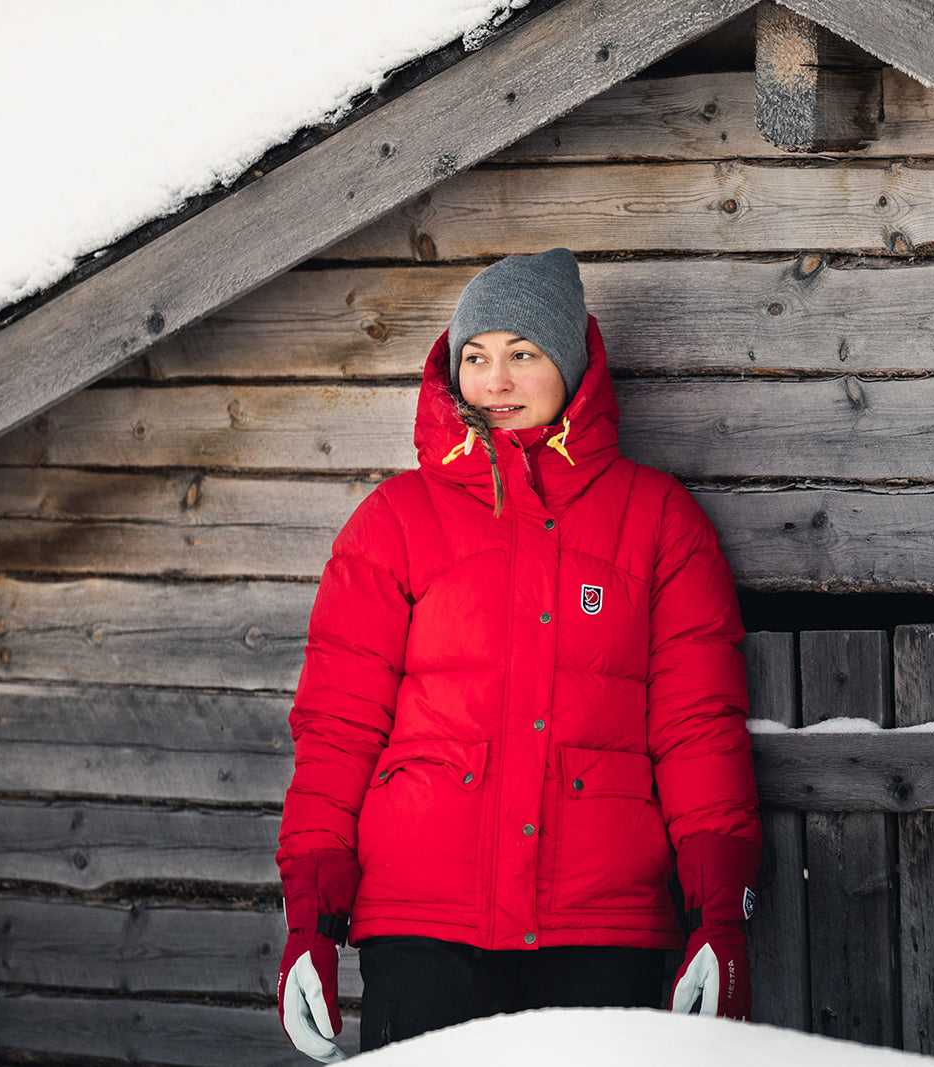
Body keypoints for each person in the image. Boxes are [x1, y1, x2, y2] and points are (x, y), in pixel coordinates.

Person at [273, 249, 761, 1060]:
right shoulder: (394, 523)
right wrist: (311, 923)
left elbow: (698, 728)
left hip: (600, 924)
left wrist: (720, 914)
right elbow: (337, 728)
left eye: (522, 354)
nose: (494, 382)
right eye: (476, 357)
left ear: (571, 363)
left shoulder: (659, 523)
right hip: (423, 926)